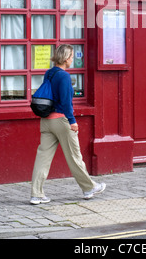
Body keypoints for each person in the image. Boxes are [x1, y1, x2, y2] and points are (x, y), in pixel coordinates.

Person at [30, 44, 106, 204]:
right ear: (65, 58)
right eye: (72, 57)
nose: (73, 59)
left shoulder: (49, 73)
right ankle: (89, 188)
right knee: (74, 156)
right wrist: (72, 121)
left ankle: (36, 194)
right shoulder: (64, 76)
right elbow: (65, 102)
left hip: (46, 121)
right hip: (61, 121)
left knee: (42, 157)